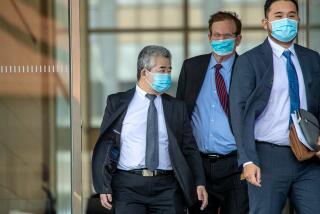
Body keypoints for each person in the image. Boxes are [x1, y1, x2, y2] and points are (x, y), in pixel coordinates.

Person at [92, 45, 208, 214]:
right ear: (144, 72)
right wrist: (103, 185)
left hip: (167, 187)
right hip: (127, 186)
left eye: (169, 70)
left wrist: (199, 182)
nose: (167, 75)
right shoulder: (117, 103)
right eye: (162, 70)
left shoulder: (176, 107)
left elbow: (189, 148)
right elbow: (106, 145)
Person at [229, 0, 320, 213]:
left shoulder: (312, 59)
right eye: (278, 16)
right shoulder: (249, 61)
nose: (286, 21)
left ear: (298, 20)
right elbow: (238, 112)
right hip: (267, 157)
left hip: (309, 157)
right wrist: (247, 159)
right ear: (265, 23)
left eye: (291, 15)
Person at [176, 11, 248, 214]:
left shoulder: (248, 68)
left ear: (238, 39)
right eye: (216, 35)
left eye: (227, 36)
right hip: (199, 166)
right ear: (209, 37)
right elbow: (181, 114)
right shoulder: (192, 67)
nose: (221, 40)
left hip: (236, 166)